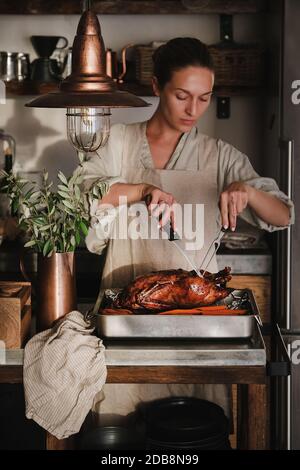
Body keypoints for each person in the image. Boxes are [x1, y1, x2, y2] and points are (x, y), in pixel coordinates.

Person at [78, 38, 294, 424]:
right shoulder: (119, 143)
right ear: (157, 86)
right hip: (126, 322)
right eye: (182, 95)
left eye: (204, 98)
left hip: (199, 331)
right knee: (123, 432)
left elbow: (282, 215)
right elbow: (84, 194)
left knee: (196, 431)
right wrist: (140, 190)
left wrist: (246, 190)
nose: (193, 110)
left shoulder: (219, 155)